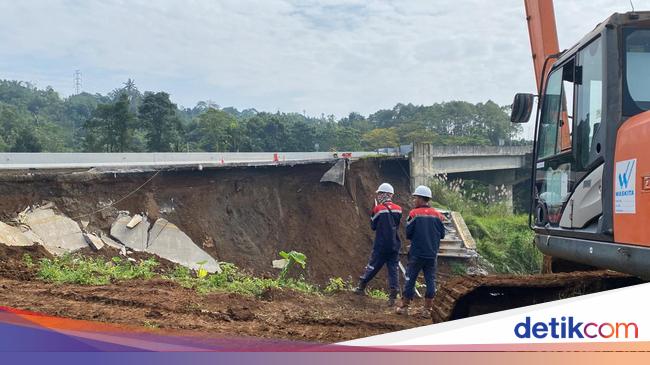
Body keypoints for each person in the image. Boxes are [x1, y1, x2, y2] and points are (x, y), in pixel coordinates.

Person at [396, 185, 445, 316]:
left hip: (417, 254)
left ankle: (404, 307)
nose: (414, 200)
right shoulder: (438, 215)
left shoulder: (414, 214)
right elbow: (442, 234)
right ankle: (427, 310)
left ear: (421, 199)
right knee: (430, 280)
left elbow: (408, 233)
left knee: (410, 278)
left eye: (415, 198)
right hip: (431, 255)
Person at [353, 182, 402, 306]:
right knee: (393, 269)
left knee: (373, 266)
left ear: (384, 194)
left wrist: (374, 211)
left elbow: (373, 226)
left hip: (381, 244)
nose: (379, 195)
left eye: (380, 193)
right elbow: (396, 223)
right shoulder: (399, 209)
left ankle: (361, 287)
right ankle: (393, 294)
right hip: (394, 244)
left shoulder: (378, 209)